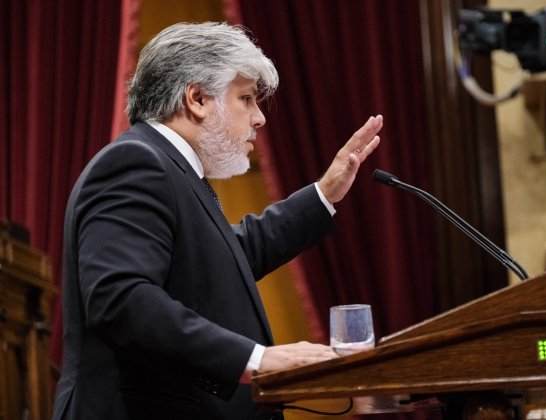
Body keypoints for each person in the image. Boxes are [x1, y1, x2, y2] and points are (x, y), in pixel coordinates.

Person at [51, 22, 382, 420]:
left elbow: (225, 258)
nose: (259, 118)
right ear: (197, 98)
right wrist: (257, 359)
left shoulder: (168, 168)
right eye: (246, 98)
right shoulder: (136, 163)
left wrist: (323, 195)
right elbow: (121, 299)